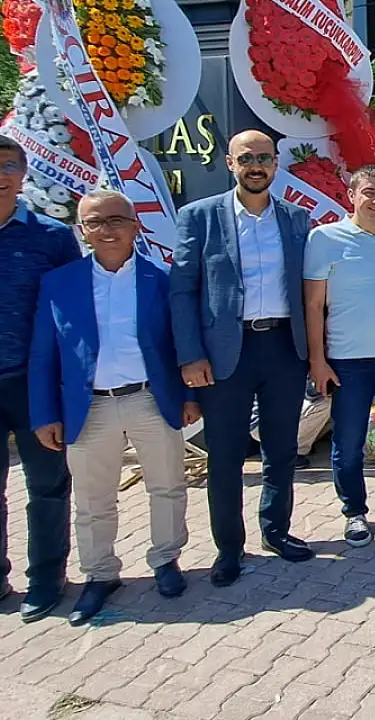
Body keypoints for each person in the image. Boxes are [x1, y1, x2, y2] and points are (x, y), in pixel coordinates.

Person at [28, 190, 196, 625]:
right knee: (92, 498)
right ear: (82, 230)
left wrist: (190, 397)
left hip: (150, 399)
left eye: (116, 220)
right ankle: (100, 574)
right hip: (89, 408)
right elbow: (43, 354)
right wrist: (44, 414)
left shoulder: (161, 278)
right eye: (95, 222)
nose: (107, 230)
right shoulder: (59, 283)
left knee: (167, 486)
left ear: (135, 226)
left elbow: (182, 343)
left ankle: (166, 559)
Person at [171, 129, 316, 587]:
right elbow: (181, 291)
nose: (257, 166)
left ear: (276, 164)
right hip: (223, 355)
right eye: (247, 158)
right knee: (226, 456)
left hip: (283, 348)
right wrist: (190, 356)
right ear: (230, 163)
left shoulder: (297, 219)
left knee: (281, 450)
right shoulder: (198, 217)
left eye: (264, 158)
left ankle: (276, 531)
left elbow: (311, 290)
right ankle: (229, 548)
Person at [304, 165, 375, 547]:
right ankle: (354, 511)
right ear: (351, 195)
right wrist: (317, 361)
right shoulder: (324, 238)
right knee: (348, 443)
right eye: (369, 192)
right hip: (348, 361)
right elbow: (313, 305)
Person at [0, 136, 81, 620]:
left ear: (23, 173)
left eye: (9, 166)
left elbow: (71, 316)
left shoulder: (51, 236)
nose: (1, 176)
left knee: (47, 486)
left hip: (34, 384)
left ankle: (47, 579)